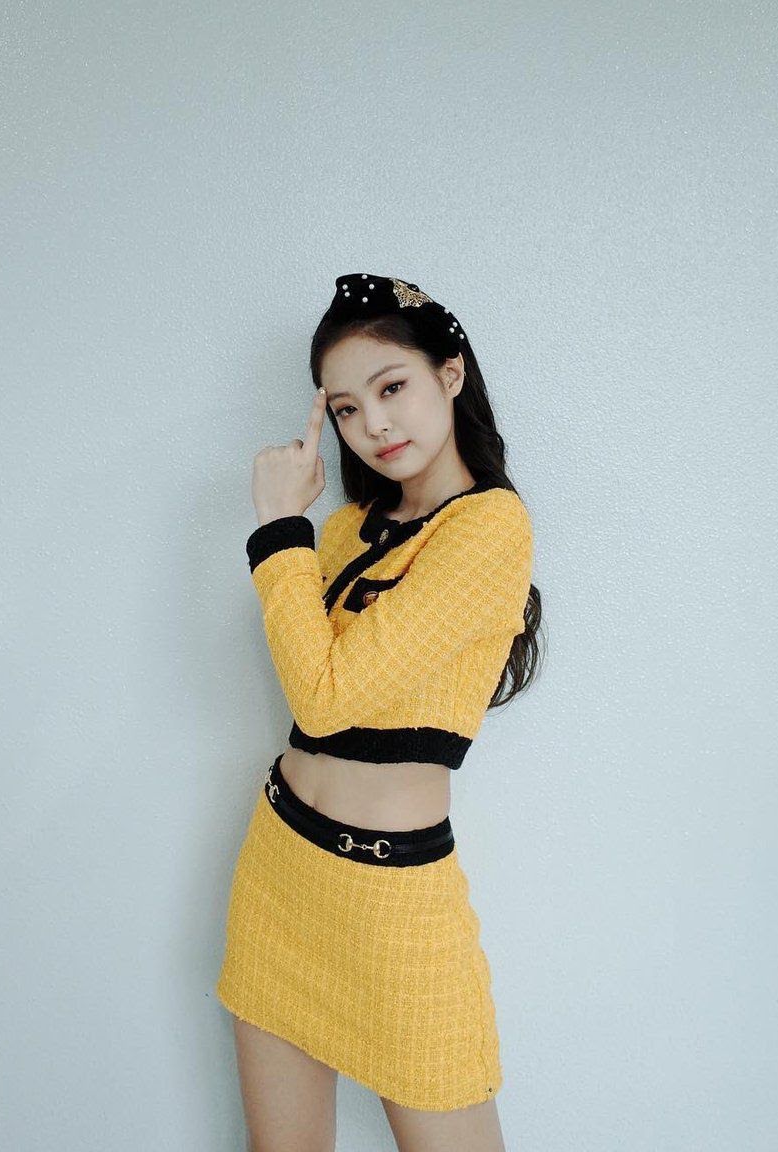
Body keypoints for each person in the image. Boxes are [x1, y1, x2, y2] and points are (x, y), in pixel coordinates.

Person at [216, 273, 544, 1152]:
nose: (374, 425)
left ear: (450, 373)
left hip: (395, 897)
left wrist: (275, 525)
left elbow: (323, 698)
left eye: (392, 387)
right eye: (347, 409)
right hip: (281, 868)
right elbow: (316, 683)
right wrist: (299, 533)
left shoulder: (490, 528)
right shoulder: (343, 529)